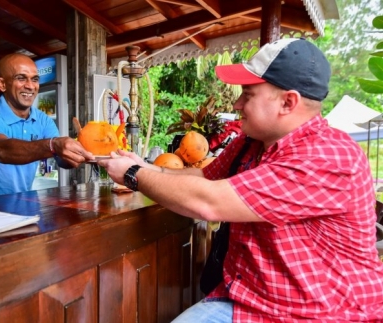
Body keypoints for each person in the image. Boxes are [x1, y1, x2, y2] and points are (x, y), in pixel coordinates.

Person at [98, 38, 383, 321]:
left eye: (248, 95)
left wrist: (133, 175)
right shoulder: (250, 143)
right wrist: (149, 168)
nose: (236, 103)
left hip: (321, 314)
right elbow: (202, 176)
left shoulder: (328, 156)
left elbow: (210, 201)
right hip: (249, 300)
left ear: (288, 102)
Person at [0, 53, 94, 199]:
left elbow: (61, 159)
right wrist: (54, 145)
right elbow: (1, 150)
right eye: (21, 78)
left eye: (35, 79)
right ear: (2, 84)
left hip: (22, 201)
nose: (30, 86)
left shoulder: (43, 120)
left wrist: (80, 151)